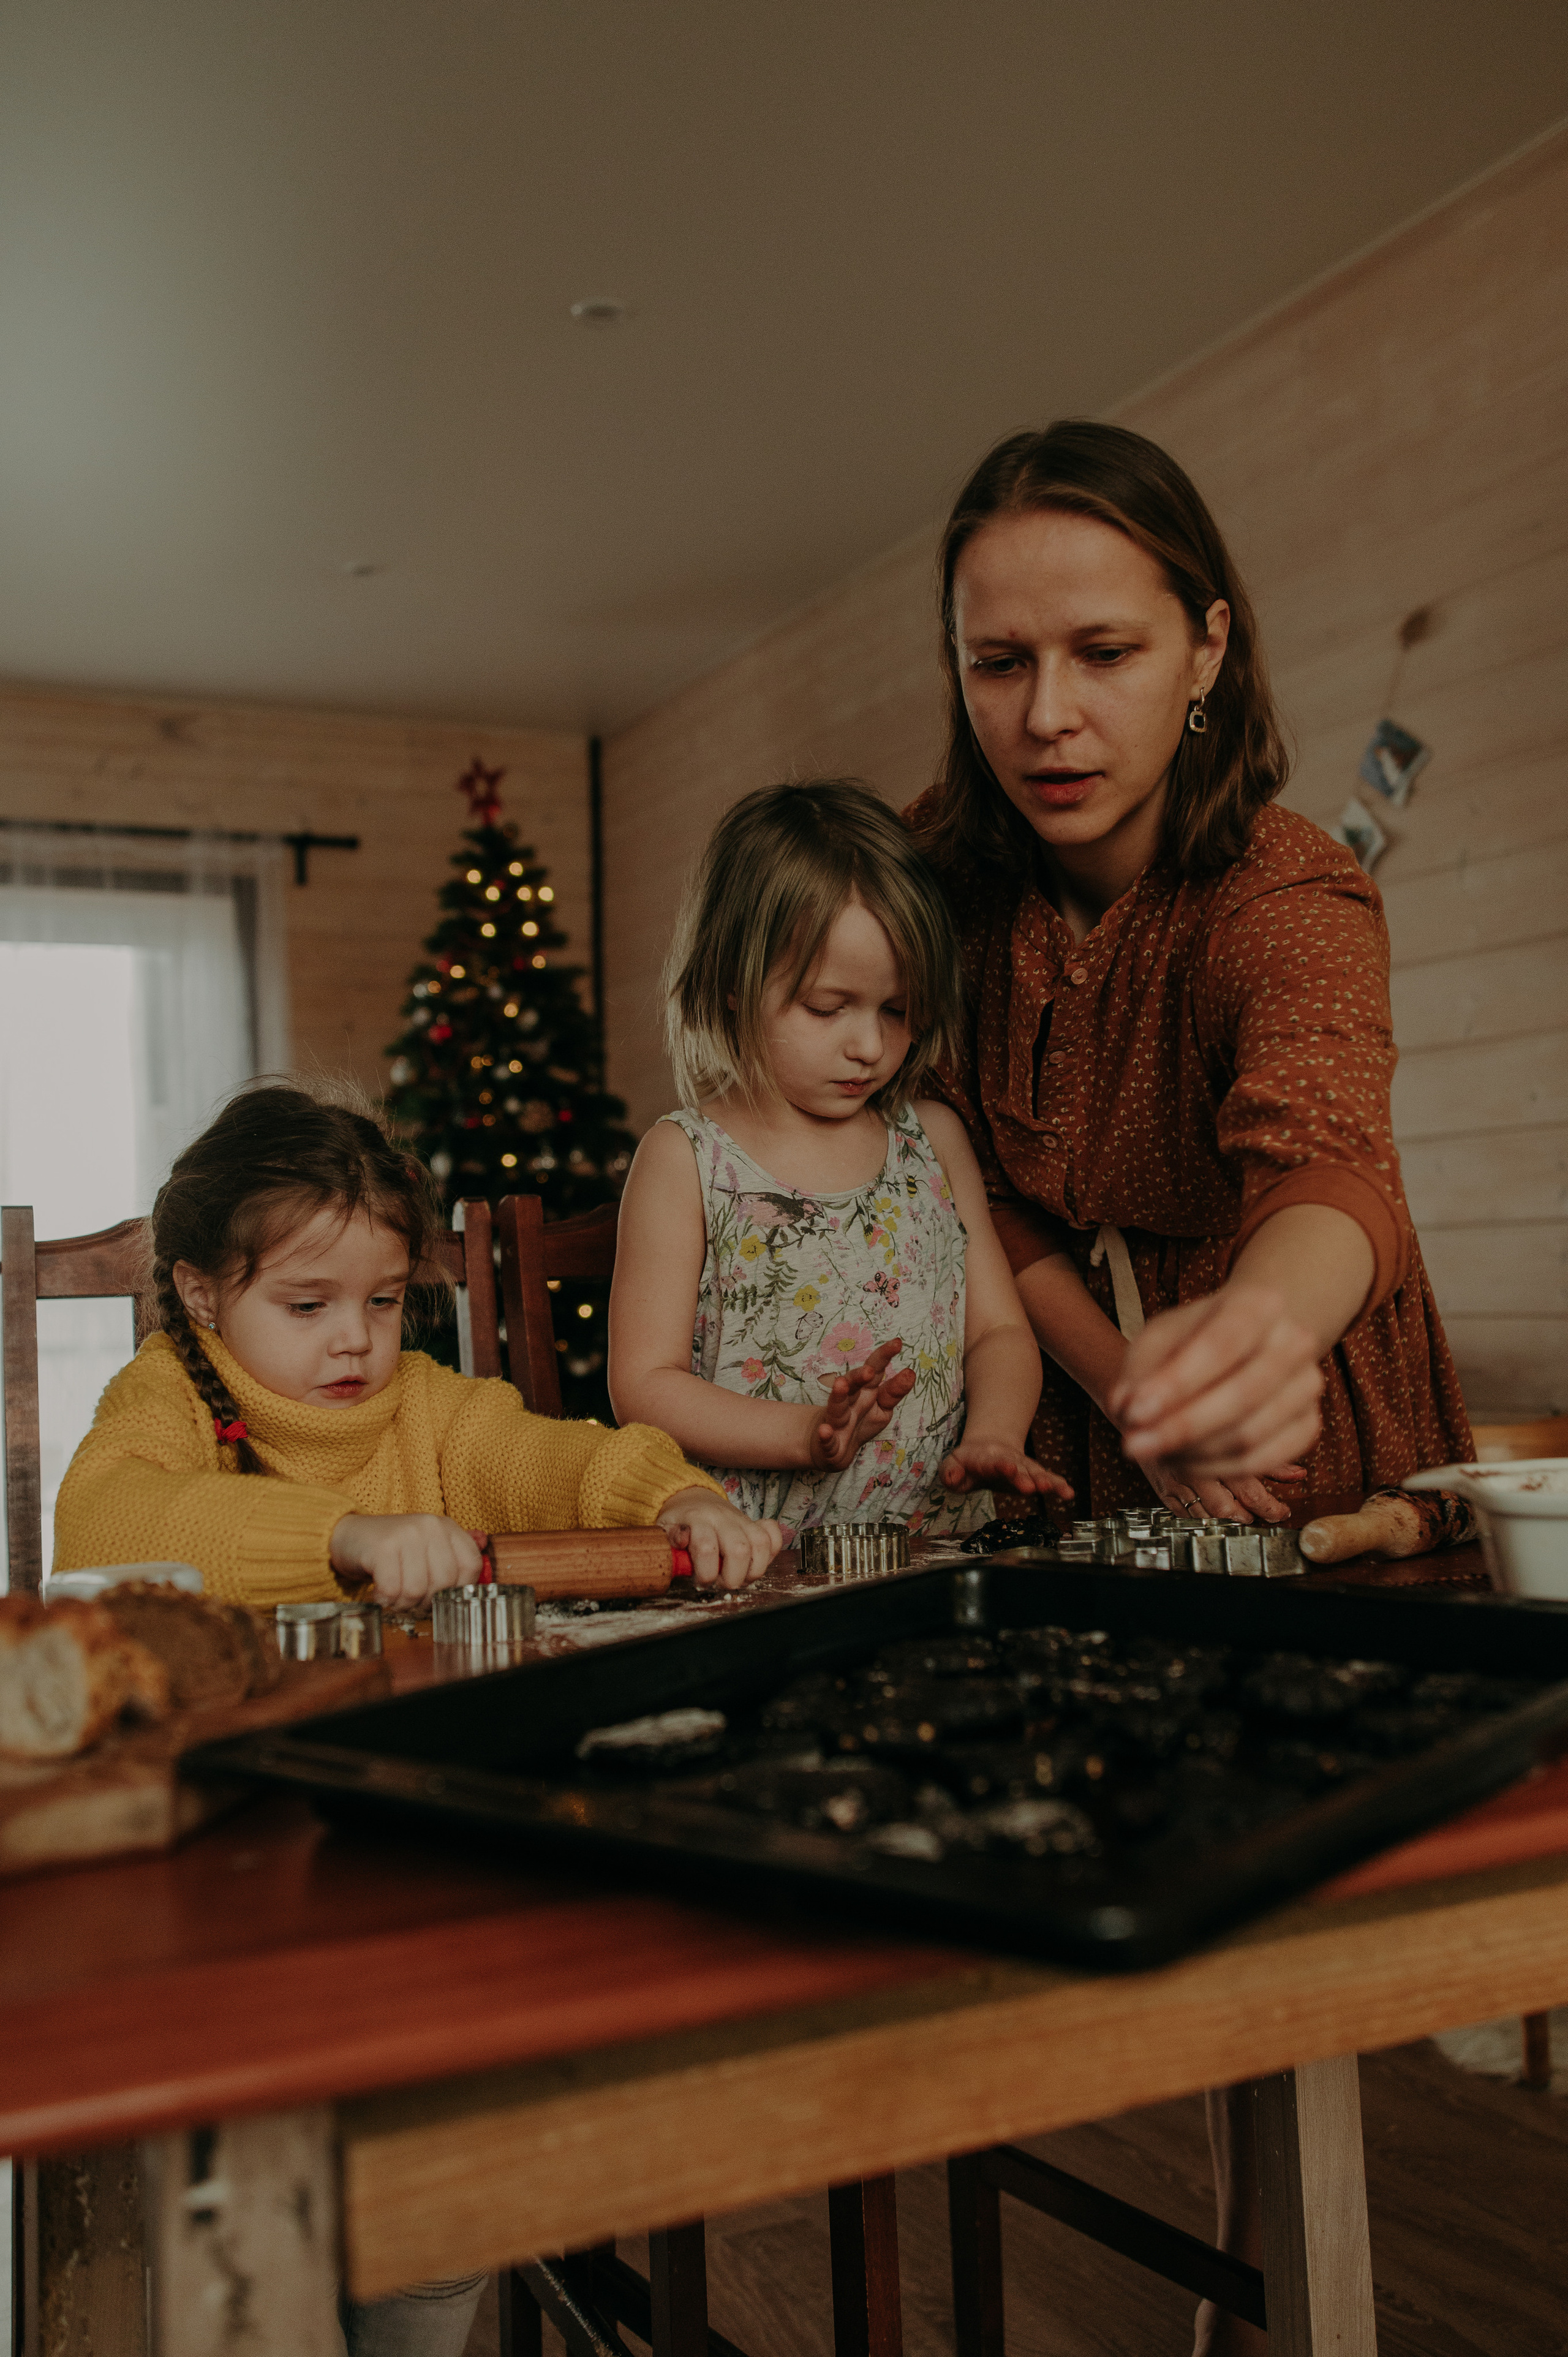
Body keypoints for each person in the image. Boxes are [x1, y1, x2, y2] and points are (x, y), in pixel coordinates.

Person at [908, 419, 1475, 2356]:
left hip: (1295, 1411)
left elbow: (1331, 1168)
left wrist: (1256, 1340)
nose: (1047, 714)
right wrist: (1126, 1377)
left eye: (1105, 650)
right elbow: (982, 1190)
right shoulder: (937, 889)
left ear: (1209, 645)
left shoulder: (1286, 889)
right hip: (1086, 1394)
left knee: (1273, 1901)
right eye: (999, 661)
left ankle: (1272, 2298)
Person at [55, 1080, 782, 1609]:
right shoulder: (167, 1391)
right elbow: (100, 1522)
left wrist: (676, 1496)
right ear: (201, 1293)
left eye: (383, 1300)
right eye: (307, 1305)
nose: (355, 1340)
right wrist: (341, 1538)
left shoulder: (425, 1402)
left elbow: (546, 1458)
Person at [608, 778, 1069, 1538]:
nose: (869, 1045)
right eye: (827, 1008)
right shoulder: (686, 1158)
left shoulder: (933, 1140)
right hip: (758, 1558)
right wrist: (802, 1434)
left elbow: (998, 1332)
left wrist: (994, 1433)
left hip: (934, 1551)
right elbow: (644, 1387)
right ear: (731, 981)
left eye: (898, 1009)